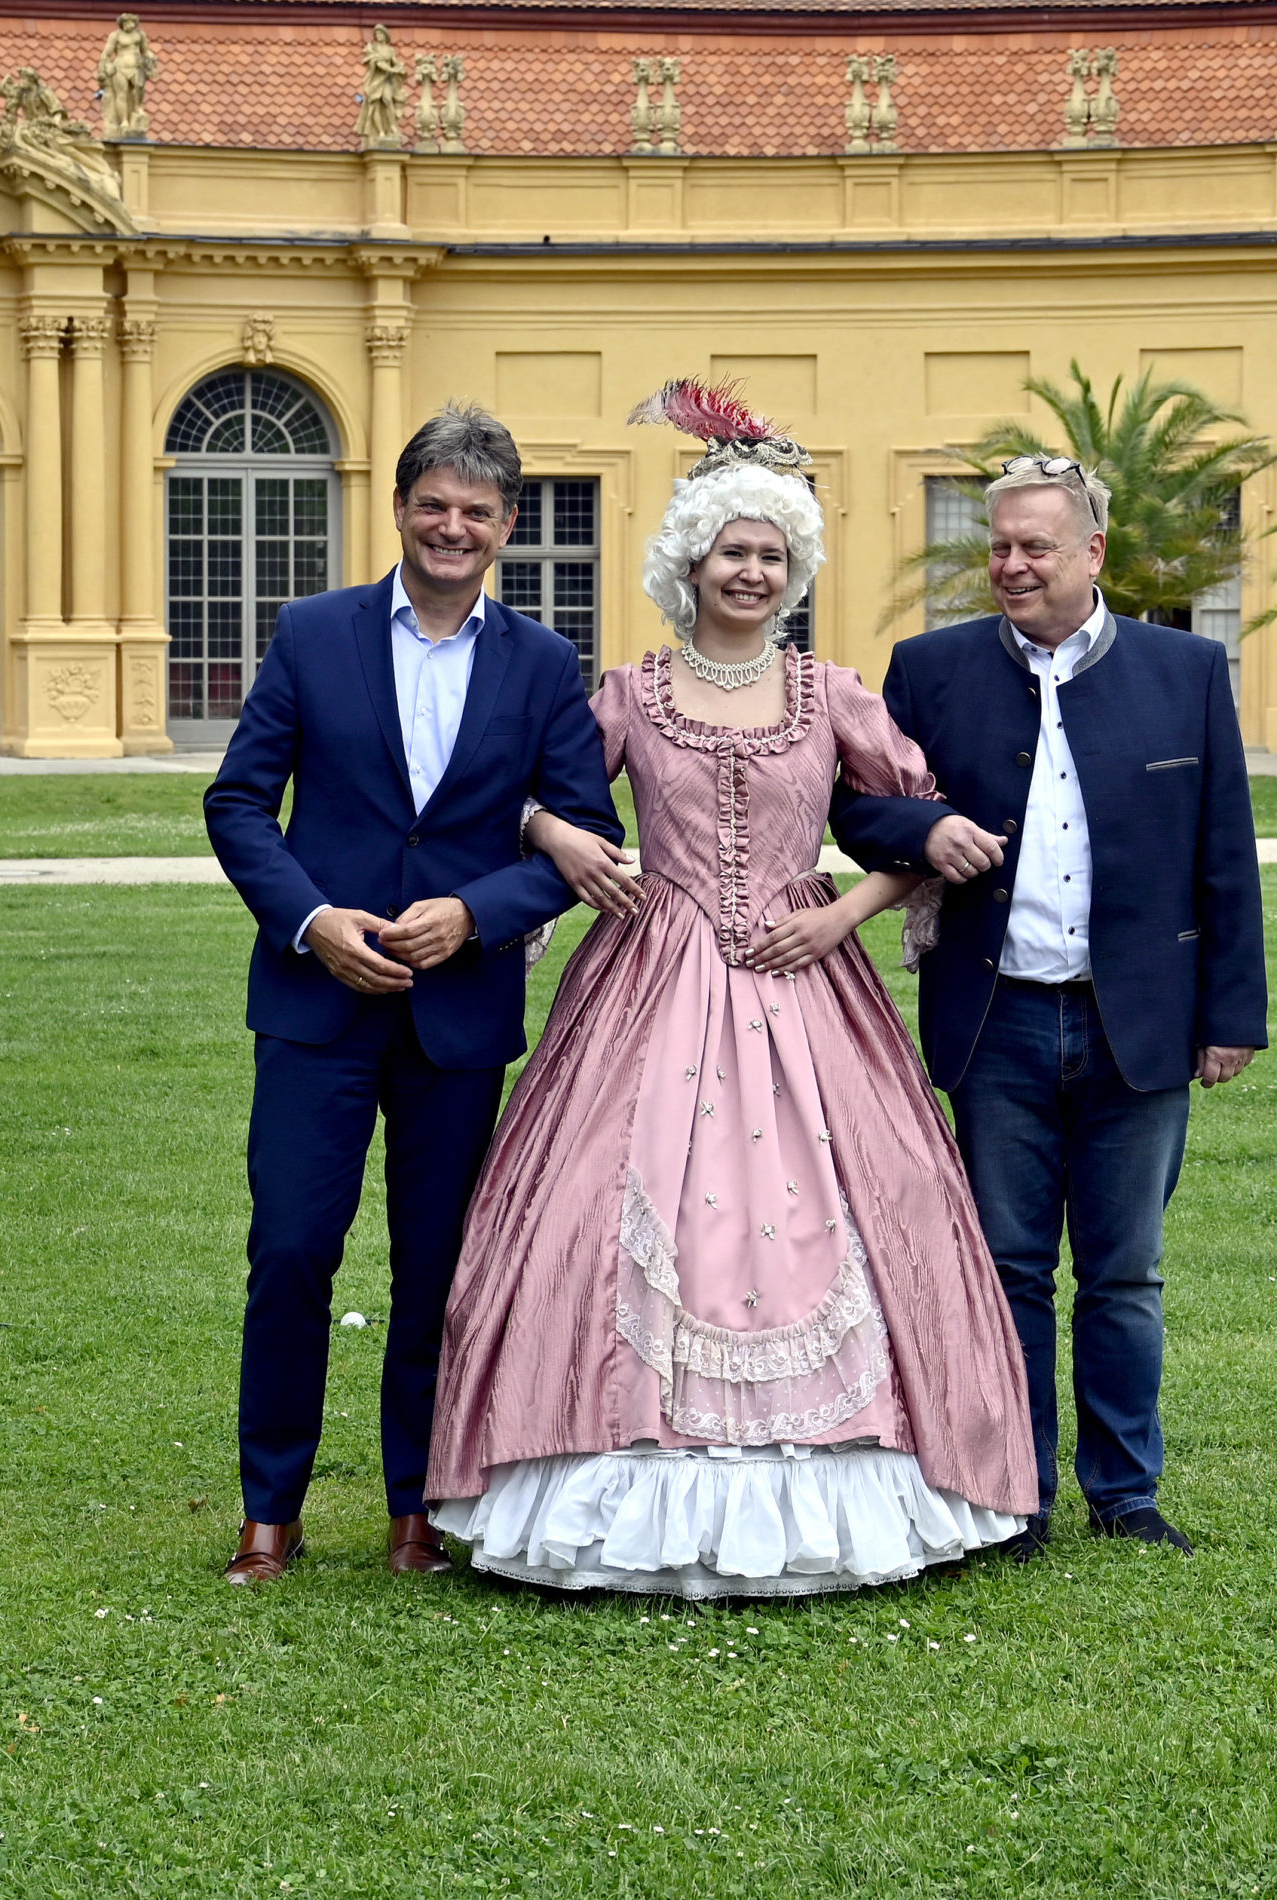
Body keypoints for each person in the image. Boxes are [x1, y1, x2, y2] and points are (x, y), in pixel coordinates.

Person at [424, 381, 1037, 1597]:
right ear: (689, 563)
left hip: (806, 975)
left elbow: (911, 824)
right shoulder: (627, 693)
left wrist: (846, 911)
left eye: (769, 553)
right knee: (598, 1206)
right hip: (654, 970)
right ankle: (598, 1468)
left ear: (791, 567)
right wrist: (559, 838)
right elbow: (518, 793)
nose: (748, 572)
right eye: (728, 551)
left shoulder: (834, 695)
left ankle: (870, 1477)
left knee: (880, 1199)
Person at [202, 403, 623, 1586]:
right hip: (315, 1003)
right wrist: (312, 919)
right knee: (291, 1250)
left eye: (476, 511)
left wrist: (477, 913)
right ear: (397, 509)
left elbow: (583, 833)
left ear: (506, 525)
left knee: (436, 1268)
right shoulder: (312, 633)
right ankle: (268, 1513)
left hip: (456, 1016)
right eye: (432, 504)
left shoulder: (542, 663)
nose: (452, 526)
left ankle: (417, 1510)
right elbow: (238, 802)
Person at [831, 455, 1268, 1558]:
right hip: (997, 1017)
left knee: (1124, 1272)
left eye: (1035, 546)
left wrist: (1231, 1013)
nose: (1012, 565)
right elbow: (854, 805)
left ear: (1092, 554)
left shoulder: (1186, 671)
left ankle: (1124, 1493)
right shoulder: (928, 670)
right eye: (999, 547)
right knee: (1008, 1267)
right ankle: (1014, 1496)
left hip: (1142, 1023)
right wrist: (918, 832)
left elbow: (1225, 854)